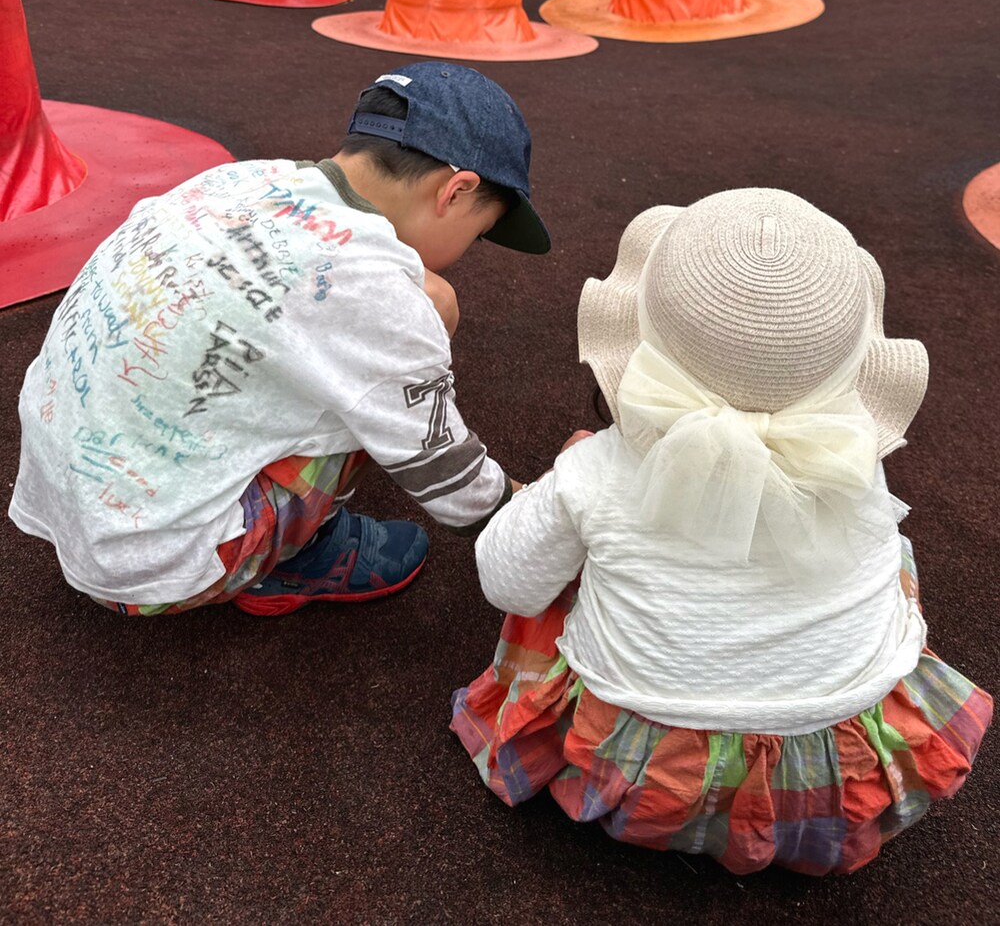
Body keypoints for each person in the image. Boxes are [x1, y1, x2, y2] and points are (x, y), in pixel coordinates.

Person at [450, 188, 992, 876]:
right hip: (832, 784)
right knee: (892, 552)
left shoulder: (596, 468)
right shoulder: (857, 473)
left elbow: (505, 580)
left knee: (551, 558)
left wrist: (566, 472)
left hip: (644, 779)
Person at [11, 61, 547, 617]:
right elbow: (450, 481)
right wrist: (547, 516)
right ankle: (300, 557)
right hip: (155, 565)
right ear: (455, 191)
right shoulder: (370, 287)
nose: (470, 248)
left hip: (67, 502)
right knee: (391, 369)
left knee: (408, 313)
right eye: (479, 233)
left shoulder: (238, 180)